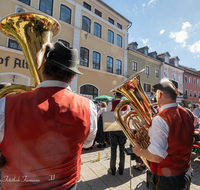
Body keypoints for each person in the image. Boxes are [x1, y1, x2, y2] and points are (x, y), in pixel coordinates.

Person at [0, 42, 97, 190]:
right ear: (72, 76)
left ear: (43, 69)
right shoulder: (88, 106)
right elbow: (88, 144)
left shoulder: (5, 104)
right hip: (67, 184)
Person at [132, 78, 194, 190]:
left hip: (167, 179)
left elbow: (156, 157)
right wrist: (151, 126)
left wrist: (139, 151)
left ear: (159, 94)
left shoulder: (160, 119)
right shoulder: (187, 113)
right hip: (186, 172)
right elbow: (176, 135)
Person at [107, 92, 128, 175]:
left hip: (113, 128)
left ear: (115, 96)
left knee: (113, 148)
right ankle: (121, 169)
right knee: (122, 149)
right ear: (122, 96)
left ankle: (112, 169)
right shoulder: (125, 104)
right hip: (123, 129)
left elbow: (106, 113)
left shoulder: (111, 103)